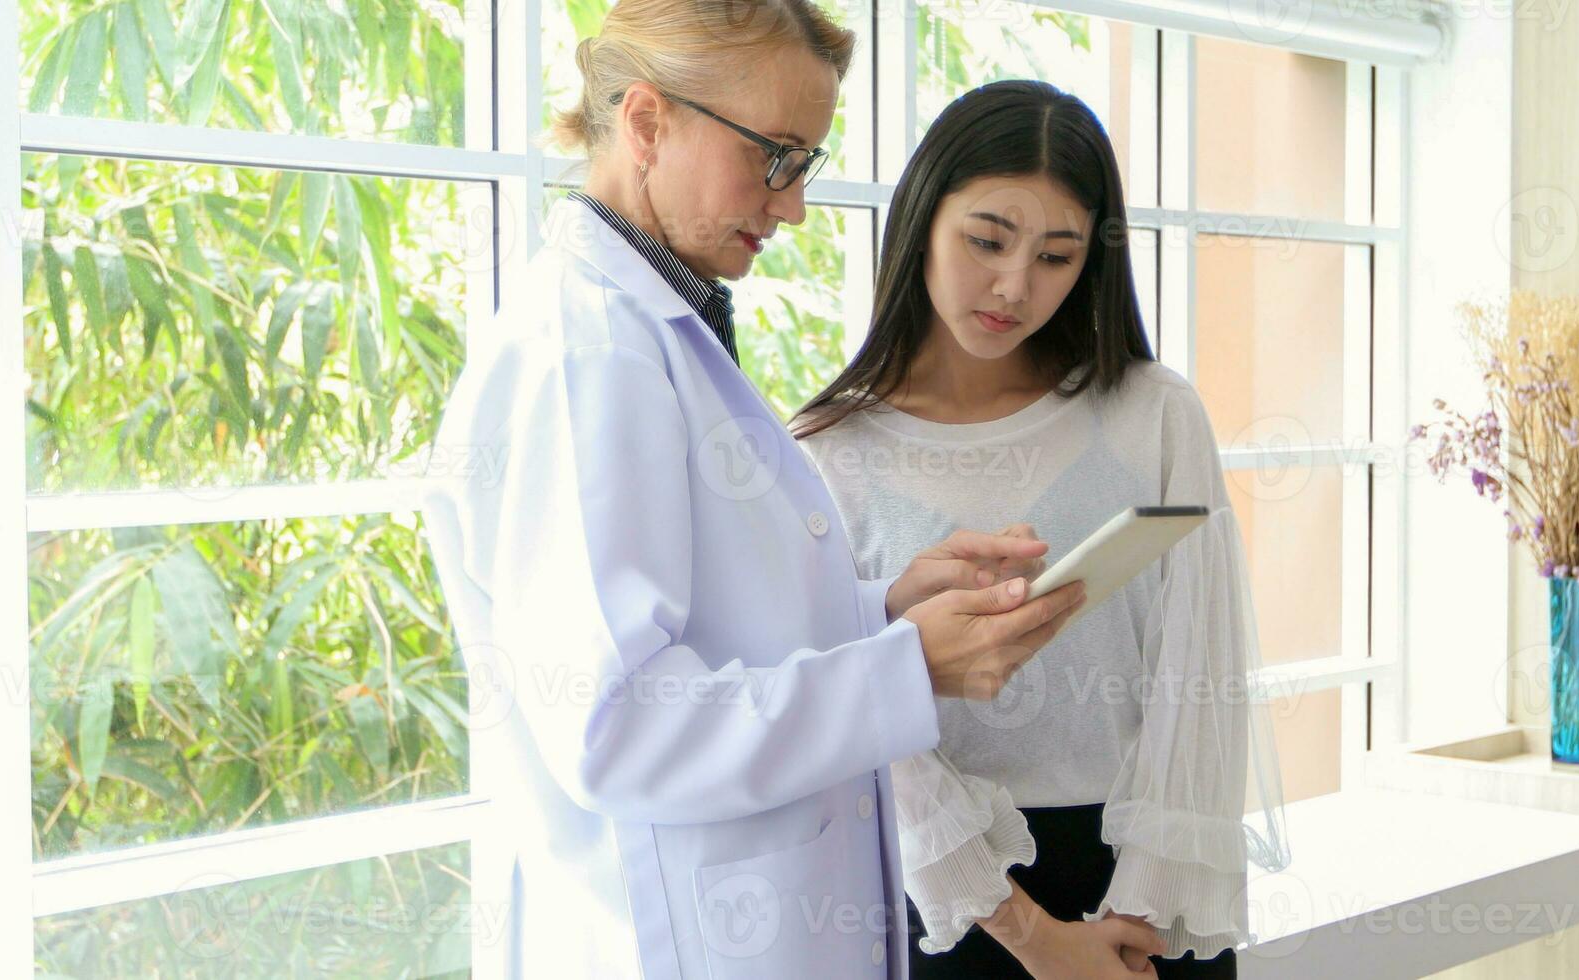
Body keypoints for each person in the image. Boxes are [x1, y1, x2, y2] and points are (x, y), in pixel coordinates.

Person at [417, 7, 1129, 979]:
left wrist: (880, 608)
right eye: (774, 157)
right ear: (645, 123)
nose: (789, 206)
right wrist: (905, 668)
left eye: (805, 163)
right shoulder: (586, 359)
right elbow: (616, 724)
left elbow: (709, 632)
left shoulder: (658, 331)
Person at [792, 80, 1291, 979]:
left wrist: (1136, 913)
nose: (1013, 286)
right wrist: (1031, 935)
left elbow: (1202, 674)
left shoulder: (1152, 414)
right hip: (950, 912)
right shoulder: (829, 452)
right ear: (919, 220)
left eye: (1056, 257)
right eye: (985, 240)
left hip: (1150, 898)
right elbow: (861, 726)